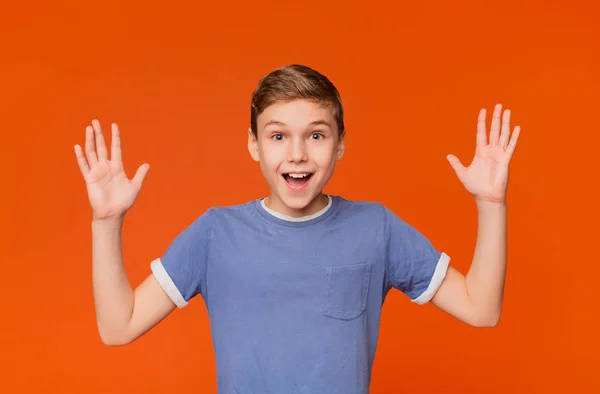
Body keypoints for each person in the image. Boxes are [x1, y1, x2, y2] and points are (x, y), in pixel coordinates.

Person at [74, 64, 521, 393]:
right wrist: (107, 222)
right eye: (278, 135)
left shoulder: (376, 228)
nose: (297, 154)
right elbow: (119, 327)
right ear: (253, 144)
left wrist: (490, 203)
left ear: (341, 143)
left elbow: (481, 310)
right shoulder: (215, 234)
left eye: (316, 134)